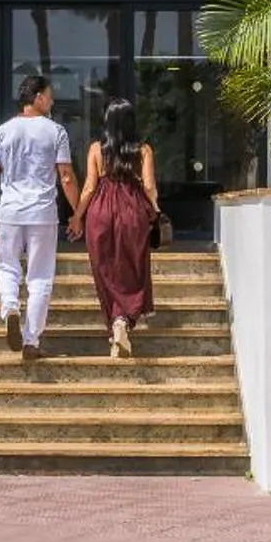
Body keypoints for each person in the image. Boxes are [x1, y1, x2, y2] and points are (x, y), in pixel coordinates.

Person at [0, 71, 79, 362]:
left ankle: (10, 306)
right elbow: (67, 177)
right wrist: (77, 213)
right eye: (49, 96)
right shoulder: (56, 131)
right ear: (37, 98)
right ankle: (31, 340)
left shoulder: (1, 131)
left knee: (7, 267)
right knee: (40, 276)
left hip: (9, 211)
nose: (52, 101)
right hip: (42, 212)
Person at [72, 98, 161, 358]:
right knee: (133, 267)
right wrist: (155, 210)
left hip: (100, 211)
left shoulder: (97, 150)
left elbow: (89, 187)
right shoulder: (143, 150)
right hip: (132, 211)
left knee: (105, 270)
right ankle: (123, 321)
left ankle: (115, 325)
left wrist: (77, 216)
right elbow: (149, 186)